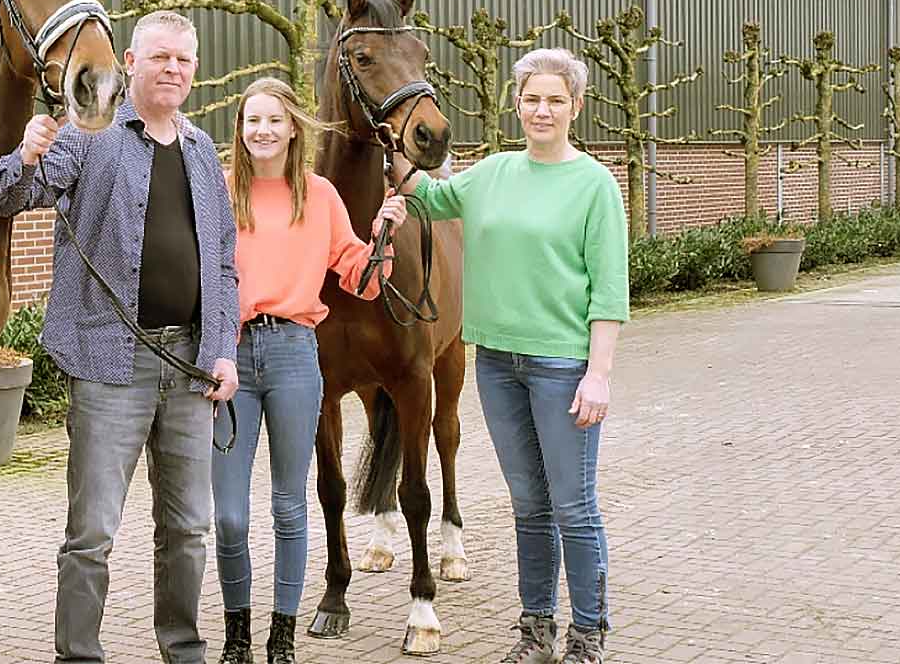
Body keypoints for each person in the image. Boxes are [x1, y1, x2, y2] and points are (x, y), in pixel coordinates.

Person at [0, 9, 241, 664]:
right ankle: (78, 656)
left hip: (189, 366)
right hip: (108, 367)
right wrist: (28, 153)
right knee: (92, 533)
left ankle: (183, 649)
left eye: (183, 60)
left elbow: (221, 261)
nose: (173, 70)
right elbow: (7, 199)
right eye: (160, 57)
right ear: (130, 63)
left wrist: (222, 350)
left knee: (187, 528)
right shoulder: (89, 132)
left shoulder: (200, 148)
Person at [398, 47, 629, 664]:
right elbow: (426, 193)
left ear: (576, 107)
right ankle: (536, 632)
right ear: (518, 105)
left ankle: (588, 634)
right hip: (498, 365)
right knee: (529, 506)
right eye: (532, 99)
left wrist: (598, 375)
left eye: (556, 99)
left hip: (563, 369)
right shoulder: (493, 173)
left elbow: (609, 291)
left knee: (573, 506)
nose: (542, 110)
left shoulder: (594, 186)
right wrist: (385, 137)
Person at [213, 78, 408, 664]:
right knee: (227, 512)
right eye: (252, 121)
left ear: (294, 127)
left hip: (297, 353)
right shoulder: (222, 192)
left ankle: (280, 638)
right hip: (233, 356)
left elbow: (361, 277)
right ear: (240, 130)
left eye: (275, 120)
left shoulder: (319, 195)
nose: (263, 131)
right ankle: (236, 634)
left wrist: (381, 239)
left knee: (289, 504)